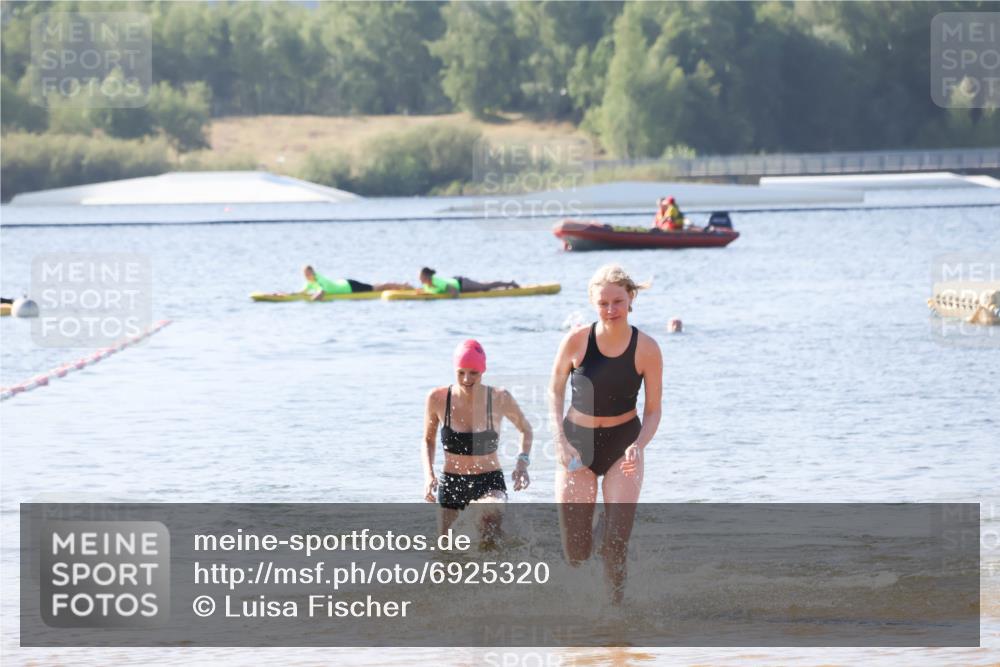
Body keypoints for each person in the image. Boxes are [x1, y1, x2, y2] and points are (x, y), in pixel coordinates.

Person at [548, 264, 663, 603]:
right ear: (592, 303)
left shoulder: (647, 349)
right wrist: (558, 439)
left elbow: (653, 409)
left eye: (618, 302)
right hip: (577, 446)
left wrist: (640, 446)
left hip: (623, 444)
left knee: (616, 545)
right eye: (603, 303)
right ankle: (582, 611)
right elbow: (554, 391)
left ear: (631, 299)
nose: (611, 310)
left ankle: (615, 617)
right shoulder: (575, 342)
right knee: (577, 552)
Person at [423, 339, 533, 539]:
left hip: (489, 481)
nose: (466, 379)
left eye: (473, 372)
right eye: (461, 372)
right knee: (445, 548)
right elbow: (427, 440)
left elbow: (526, 430)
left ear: (483, 371)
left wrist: (522, 464)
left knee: (487, 519)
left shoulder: (499, 398)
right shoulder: (437, 399)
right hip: (452, 483)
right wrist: (429, 476)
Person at [298, 265, 411, 301]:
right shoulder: (311, 281)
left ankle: (403, 286)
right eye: (305, 275)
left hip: (350, 287)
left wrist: (312, 300)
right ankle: (400, 285)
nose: (306, 277)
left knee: (375, 289)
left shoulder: (319, 280)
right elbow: (301, 292)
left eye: (308, 274)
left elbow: (321, 292)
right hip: (344, 283)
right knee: (375, 287)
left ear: (313, 273)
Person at [418, 267, 519, 297]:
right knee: (485, 285)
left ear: (427, 277)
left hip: (462, 284)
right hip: (457, 282)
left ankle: (510, 283)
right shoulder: (427, 285)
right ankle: (508, 284)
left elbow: (455, 292)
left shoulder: (436, 282)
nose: (419, 279)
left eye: (421, 277)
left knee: (485, 287)